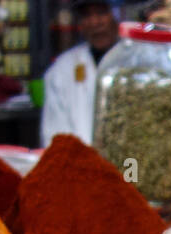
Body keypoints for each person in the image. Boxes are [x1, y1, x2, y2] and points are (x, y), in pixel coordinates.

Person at [40, 0, 120, 147]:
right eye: (86, 15)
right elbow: (54, 135)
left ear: (117, 15)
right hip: (79, 165)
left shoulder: (137, 62)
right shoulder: (62, 69)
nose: (95, 22)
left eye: (101, 13)